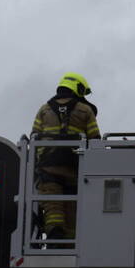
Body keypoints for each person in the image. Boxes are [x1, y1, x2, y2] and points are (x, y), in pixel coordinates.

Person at [31, 72, 101, 243]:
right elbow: (95, 141)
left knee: (53, 206)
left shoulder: (44, 109)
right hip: (76, 168)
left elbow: (34, 137)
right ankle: (69, 244)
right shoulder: (85, 110)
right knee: (71, 209)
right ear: (78, 88)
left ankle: (55, 236)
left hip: (48, 168)